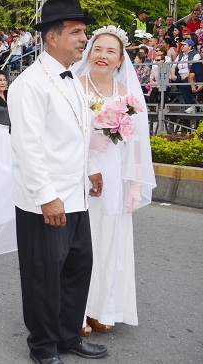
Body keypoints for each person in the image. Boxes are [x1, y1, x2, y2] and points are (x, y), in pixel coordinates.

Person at [8, 0, 107, 364]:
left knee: (77, 269)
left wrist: (92, 167)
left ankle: (68, 336)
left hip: (77, 195)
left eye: (85, 32)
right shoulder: (29, 84)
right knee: (44, 278)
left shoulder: (74, 81)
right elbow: (27, 146)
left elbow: (84, 132)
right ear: (52, 38)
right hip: (45, 201)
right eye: (77, 33)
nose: (85, 39)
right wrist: (46, 195)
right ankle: (44, 347)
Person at [72, 25, 156, 337]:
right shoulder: (75, 87)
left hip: (115, 179)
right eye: (98, 49)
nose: (103, 56)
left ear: (121, 59)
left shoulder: (129, 96)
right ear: (88, 53)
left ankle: (101, 308)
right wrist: (90, 145)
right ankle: (75, 310)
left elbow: (136, 144)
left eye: (111, 51)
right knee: (80, 246)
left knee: (110, 243)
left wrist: (134, 184)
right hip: (80, 175)